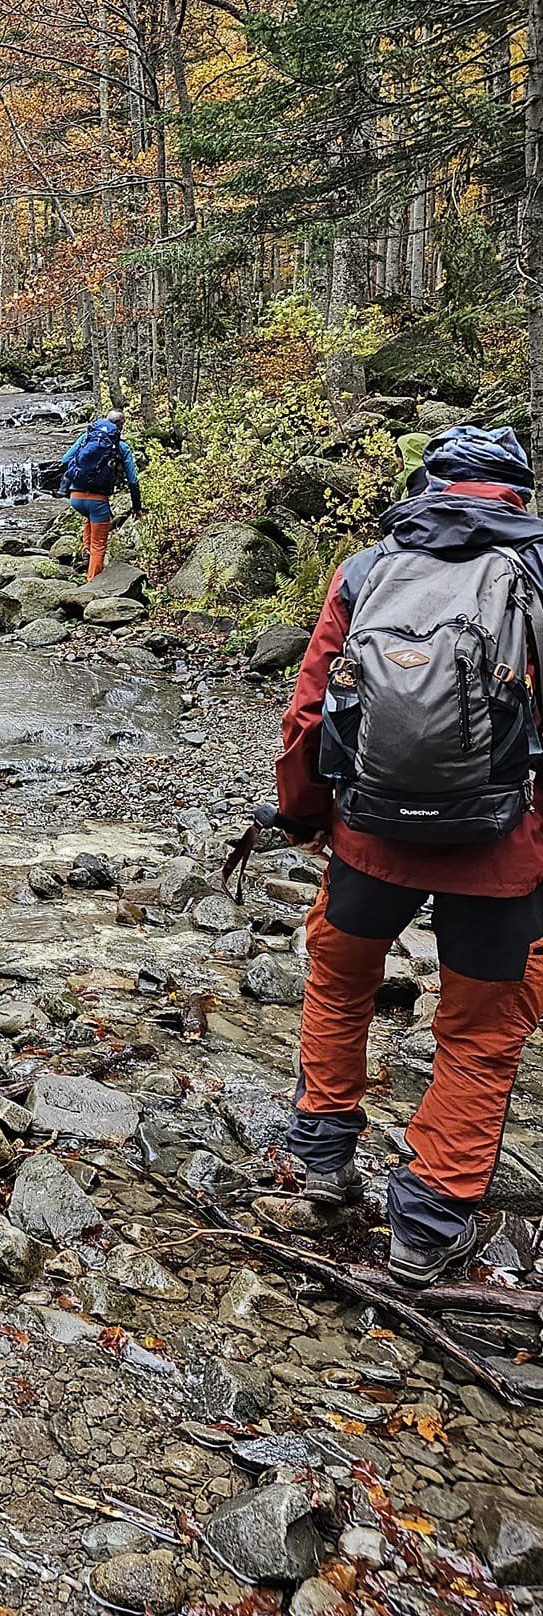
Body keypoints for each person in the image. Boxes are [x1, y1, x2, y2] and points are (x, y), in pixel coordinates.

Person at [274, 424, 543, 1286]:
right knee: (481, 1035)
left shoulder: (367, 569)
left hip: (370, 835)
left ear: (429, 485)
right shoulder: (536, 570)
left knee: (339, 977)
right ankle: (424, 1228)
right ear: (517, 495)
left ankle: (321, 1156)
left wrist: (304, 816)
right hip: (505, 851)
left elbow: (311, 714)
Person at [57, 408, 142, 582]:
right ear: (121, 426)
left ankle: (85, 553)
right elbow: (133, 480)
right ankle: (92, 585)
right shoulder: (121, 447)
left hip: (76, 498)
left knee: (89, 518)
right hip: (98, 501)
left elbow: (65, 460)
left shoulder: (86, 438)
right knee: (99, 545)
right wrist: (137, 507)